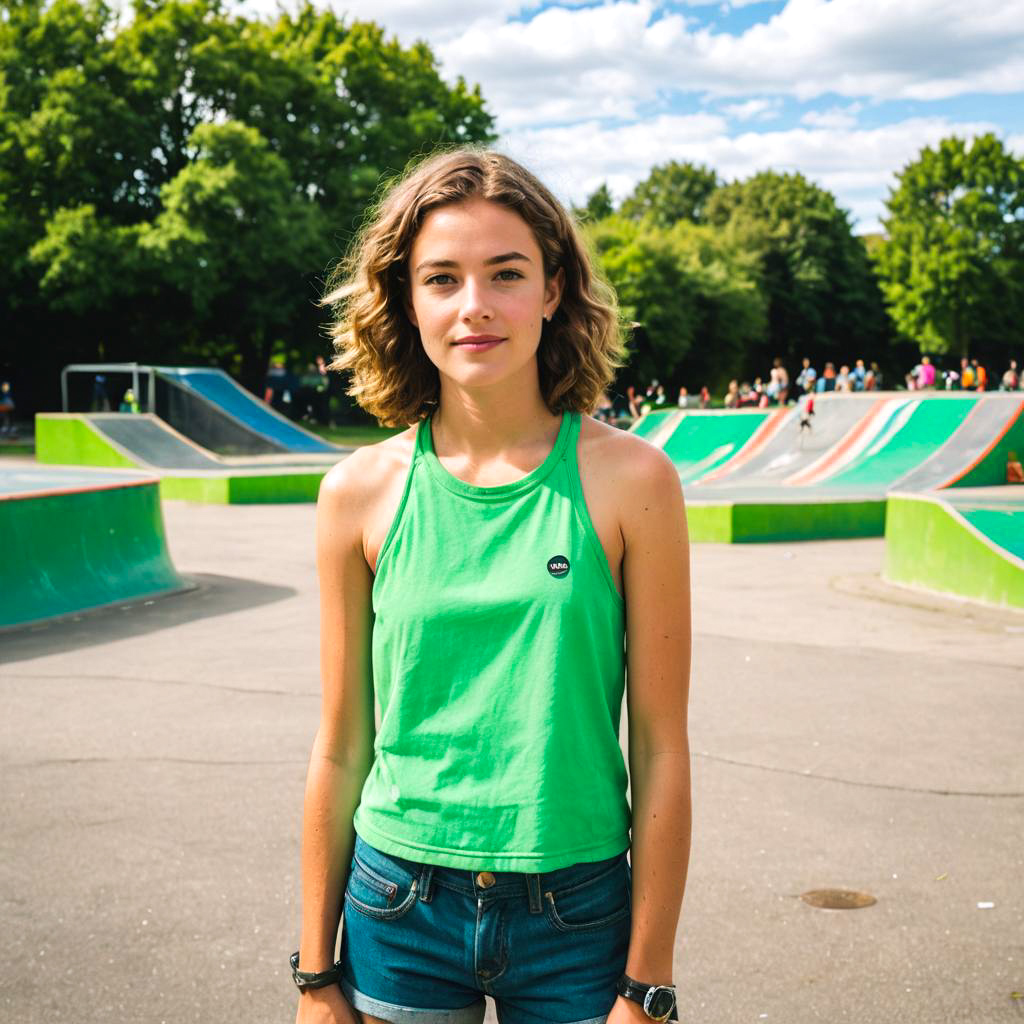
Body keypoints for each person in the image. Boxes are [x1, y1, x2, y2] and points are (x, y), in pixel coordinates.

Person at [295, 149, 692, 1024]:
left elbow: (662, 748)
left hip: (578, 916)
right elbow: (339, 746)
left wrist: (647, 985)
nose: (474, 305)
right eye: (442, 277)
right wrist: (316, 975)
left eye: (505, 273)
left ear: (553, 290)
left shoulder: (634, 482)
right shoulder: (357, 493)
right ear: (408, 298)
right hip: (397, 907)